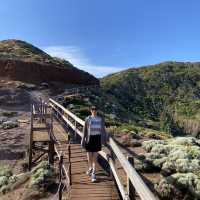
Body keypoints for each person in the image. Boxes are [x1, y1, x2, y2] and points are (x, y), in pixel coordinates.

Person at [81, 105, 108, 182]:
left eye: (95, 109)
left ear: (97, 110)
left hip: (97, 139)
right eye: (93, 109)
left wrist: (105, 139)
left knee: (95, 157)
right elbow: (85, 130)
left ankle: (94, 173)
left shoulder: (101, 119)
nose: (94, 110)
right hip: (89, 139)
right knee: (89, 156)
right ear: (91, 110)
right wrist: (83, 140)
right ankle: (90, 168)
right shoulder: (88, 119)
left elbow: (103, 130)